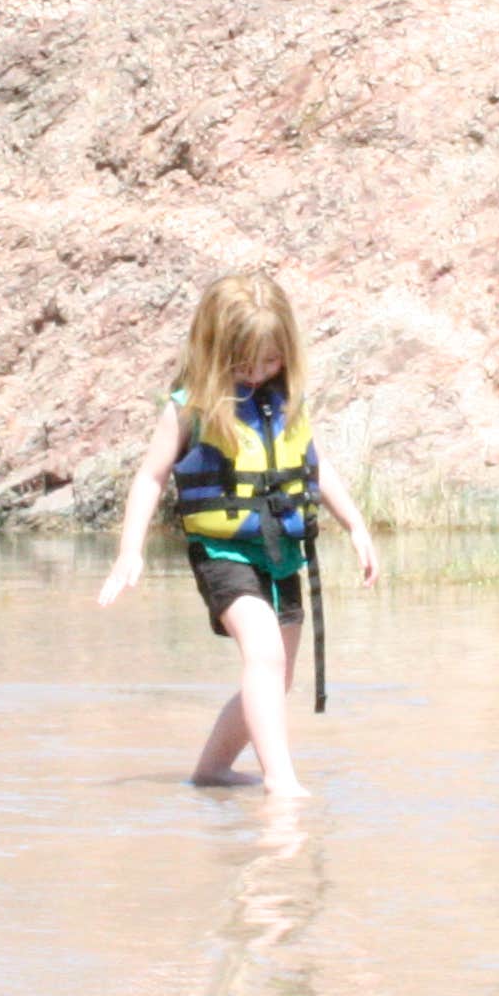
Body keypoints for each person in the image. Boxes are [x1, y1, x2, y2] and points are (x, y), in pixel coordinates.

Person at [97, 271, 379, 796]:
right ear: (215, 349)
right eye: (243, 363)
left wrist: (356, 524)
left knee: (279, 677)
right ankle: (282, 782)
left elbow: (317, 468)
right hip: (223, 551)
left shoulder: (285, 401)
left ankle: (211, 771)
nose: (257, 373)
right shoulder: (190, 405)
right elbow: (150, 475)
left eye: (270, 361)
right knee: (265, 657)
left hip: (282, 550)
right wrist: (129, 551)